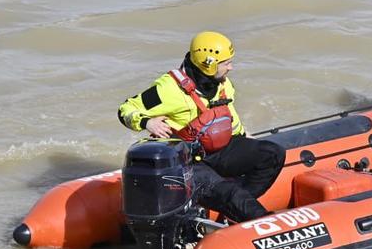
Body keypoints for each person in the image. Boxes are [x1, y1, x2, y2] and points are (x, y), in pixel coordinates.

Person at [117, 30, 285, 222]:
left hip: (219, 152)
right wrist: (147, 122)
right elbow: (126, 108)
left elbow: (229, 115)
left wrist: (243, 136)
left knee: (273, 154)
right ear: (209, 65)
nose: (231, 67)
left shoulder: (222, 83)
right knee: (230, 193)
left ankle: (235, 210)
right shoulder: (169, 90)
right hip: (188, 162)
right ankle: (260, 220)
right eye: (226, 63)